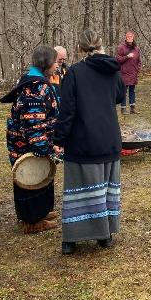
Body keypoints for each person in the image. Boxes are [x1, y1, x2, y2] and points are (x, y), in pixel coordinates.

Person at [53, 30, 125, 255]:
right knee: (103, 189)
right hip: (108, 137)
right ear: (101, 46)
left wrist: (59, 139)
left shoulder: (74, 72)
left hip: (83, 140)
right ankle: (104, 235)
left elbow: (67, 111)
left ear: (80, 49)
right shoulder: (113, 70)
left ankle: (72, 240)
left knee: (78, 190)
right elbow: (119, 96)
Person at [0, 45, 60, 234]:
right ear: (47, 63)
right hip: (29, 145)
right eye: (56, 62)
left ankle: (40, 213)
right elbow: (33, 122)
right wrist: (42, 147)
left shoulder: (36, 82)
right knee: (31, 178)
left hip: (32, 143)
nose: (57, 65)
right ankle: (32, 221)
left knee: (39, 178)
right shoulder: (36, 88)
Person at [115, 31, 142, 115]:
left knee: (132, 91)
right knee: (124, 91)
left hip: (133, 72)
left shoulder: (136, 48)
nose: (130, 38)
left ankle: (132, 108)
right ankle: (123, 109)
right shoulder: (121, 47)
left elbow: (139, 61)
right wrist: (127, 56)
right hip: (124, 73)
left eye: (131, 36)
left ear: (133, 38)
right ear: (126, 38)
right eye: (128, 37)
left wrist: (138, 69)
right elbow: (118, 60)